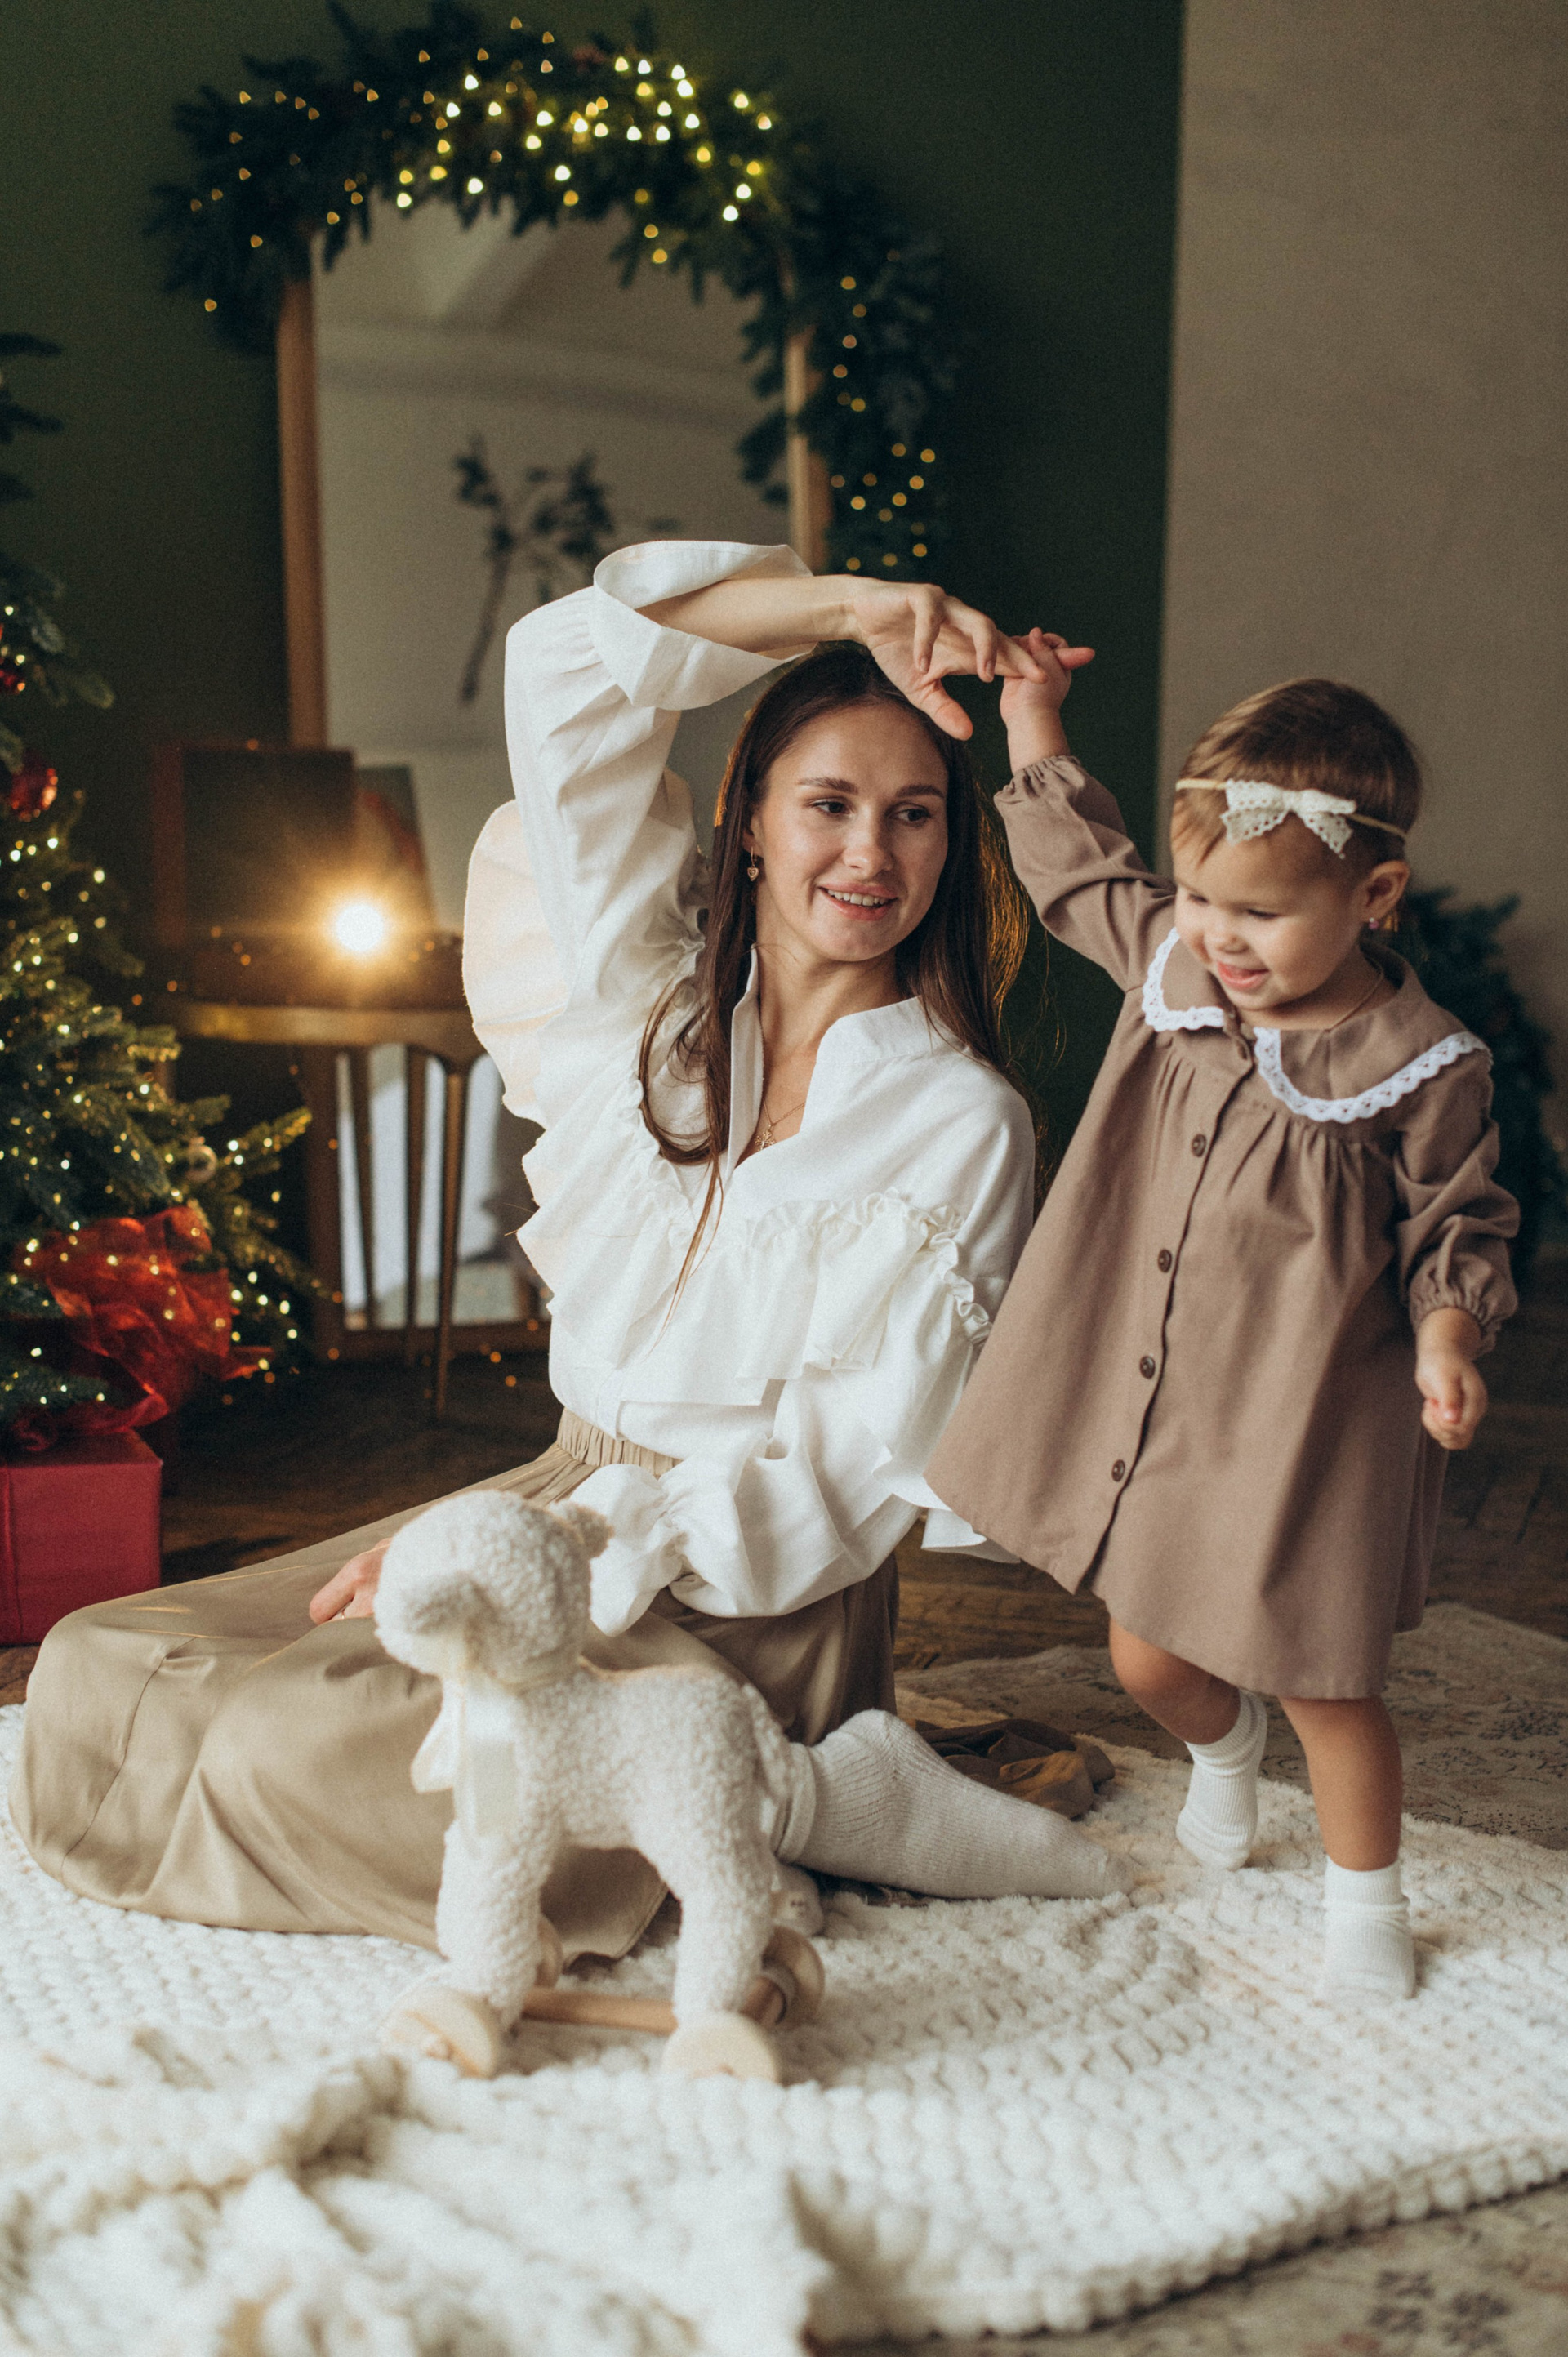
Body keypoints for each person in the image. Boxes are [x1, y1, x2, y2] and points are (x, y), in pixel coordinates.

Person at [13, 542, 1128, 1963]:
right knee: (102, 1666)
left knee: (275, 1742)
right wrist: (847, 610)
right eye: (829, 804)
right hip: (547, 1500)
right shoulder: (648, 1015)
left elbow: (838, 1498)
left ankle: (786, 1786)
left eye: (915, 816)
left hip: (738, 1601)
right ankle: (781, 1803)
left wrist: (564, 1545)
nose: (870, 854)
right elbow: (564, 671)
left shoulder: (963, 1119)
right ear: (749, 822)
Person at [927, 642, 1519, 2003]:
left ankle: (1367, 1906)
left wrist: (1448, 1335)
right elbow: (1079, 866)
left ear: (1373, 895)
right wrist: (1034, 716)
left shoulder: (1420, 1063)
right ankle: (1221, 1747)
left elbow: (1460, 1220)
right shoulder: (1173, 967)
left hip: (1307, 1410)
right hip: (1163, 1395)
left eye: (1259, 910)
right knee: (1146, 1651)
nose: (1218, 934)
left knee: (1324, 1676)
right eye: (1199, 896)